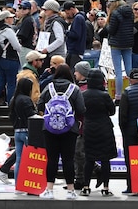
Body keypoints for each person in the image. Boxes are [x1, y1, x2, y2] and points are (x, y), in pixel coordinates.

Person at [37, 63, 85, 199]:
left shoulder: (49, 87)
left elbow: (39, 104)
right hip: (70, 130)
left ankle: (49, 190)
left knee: (51, 159)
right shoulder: (74, 89)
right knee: (68, 160)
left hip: (49, 129)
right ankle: (70, 191)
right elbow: (81, 109)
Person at [80, 68, 116, 196]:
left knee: (89, 159)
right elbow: (112, 112)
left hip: (89, 128)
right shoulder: (105, 95)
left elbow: (80, 111)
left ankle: (86, 187)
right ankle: (106, 188)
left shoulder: (83, 94)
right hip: (104, 128)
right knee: (105, 160)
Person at [0, 9, 21, 110]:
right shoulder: (8, 30)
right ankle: (11, 106)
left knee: (0, 83)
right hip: (10, 59)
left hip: (0, 60)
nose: (12, 19)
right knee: (11, 84)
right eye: (10, 17)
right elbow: (17, 46)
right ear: (5, 19)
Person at [106, 0, 134, 99]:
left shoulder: (115, 13)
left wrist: (106, 26)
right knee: (129, 70)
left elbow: (112, 30)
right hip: (128, 43)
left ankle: (118, 96)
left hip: (116, 44)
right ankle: (132, 91)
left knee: (118, 72)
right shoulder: (129, 11)